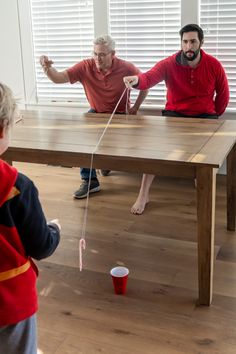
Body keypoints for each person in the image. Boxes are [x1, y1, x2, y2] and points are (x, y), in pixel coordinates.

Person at [123, 23, 229, 215]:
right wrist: (136, 80)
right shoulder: (169, 63)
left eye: (193, 42)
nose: (189, 46)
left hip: (205, 117)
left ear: (201, 43)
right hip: (175, 115)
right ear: (181, 43)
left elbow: (223, 95)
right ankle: (143, 194)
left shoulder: (214, 65)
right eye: (185, 42)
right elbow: (149, 78)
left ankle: (201, 182)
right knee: (153, 151)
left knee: (207, 157)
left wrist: (213, 115)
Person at [39, 35, 148, 199]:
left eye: (102, 54)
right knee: (83, 136)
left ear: (113, 54)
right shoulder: (85, 66)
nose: (98, 58)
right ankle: (90, 181)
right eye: (95, 53)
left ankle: (105, 164)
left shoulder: (126, 67)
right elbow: (58, 78)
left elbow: (145, 84)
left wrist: (135, 108)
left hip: (120, 116)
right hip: (95, 113)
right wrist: (47, 68)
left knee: (116, 144)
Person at [0, 82, 61, 354]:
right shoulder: (17, 187)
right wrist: (54, 231)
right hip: (9, 301)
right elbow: (40, 246)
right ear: (2, 129)